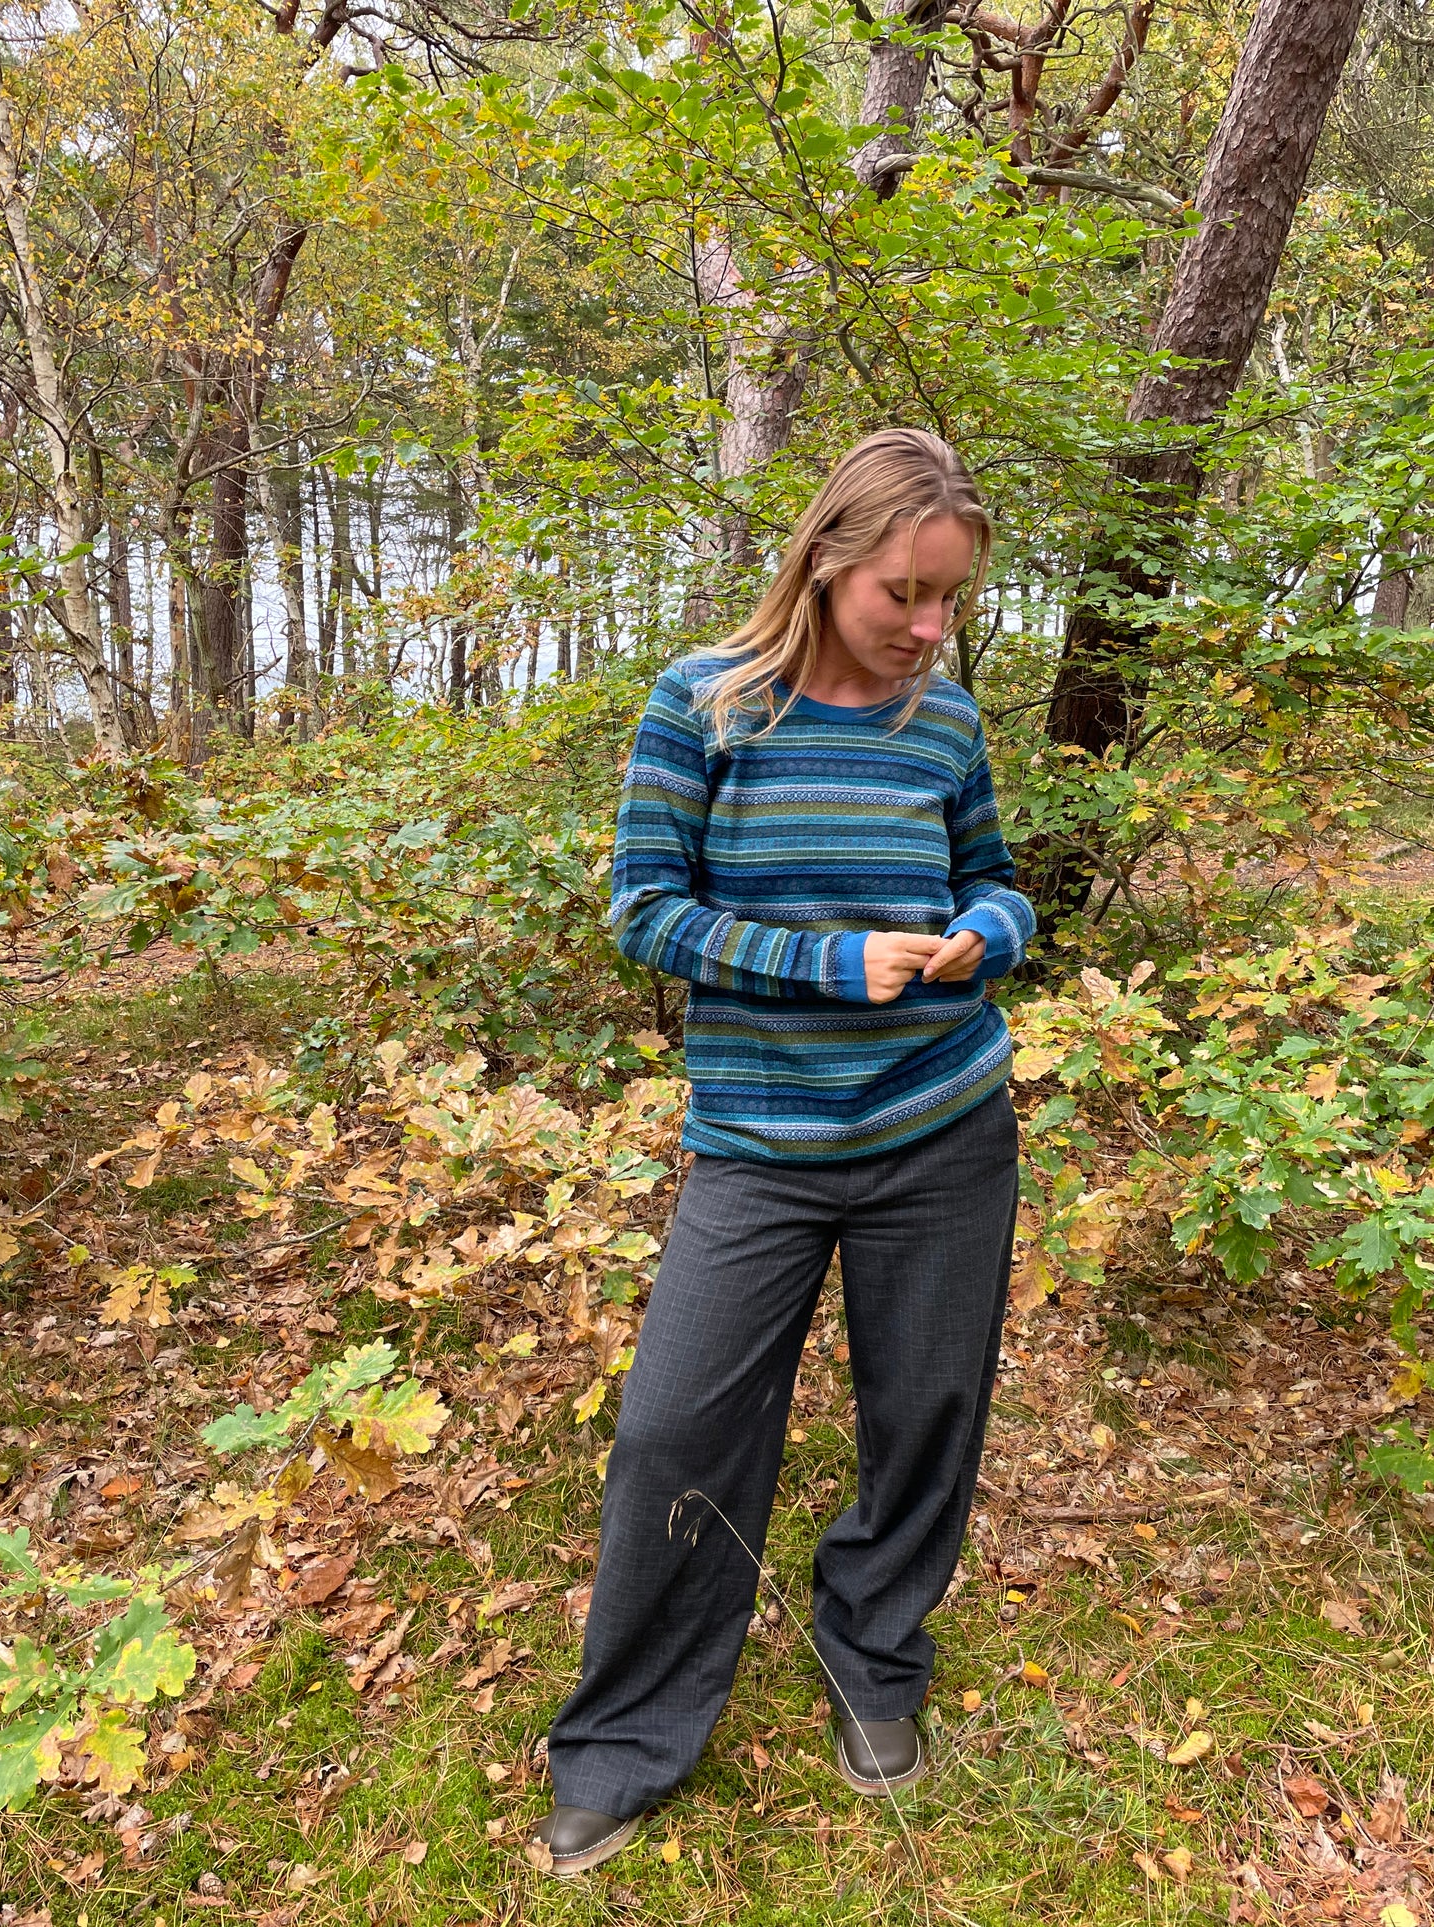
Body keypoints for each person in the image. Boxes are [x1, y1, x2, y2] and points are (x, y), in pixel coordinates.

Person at [533, 427, 1035, 1876]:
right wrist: (829, 964)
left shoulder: (939, 721)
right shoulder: (704, 704)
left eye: (948, 601)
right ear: (825, 561)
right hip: (759, 1141)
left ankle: (875, 1651)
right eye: (902, 594)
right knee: (675, 1429)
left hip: (944, 1130)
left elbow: (995, 876)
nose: (926, 628)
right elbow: (642, 909)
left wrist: (981, 937)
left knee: (924, 1412)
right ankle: (624, 1737)